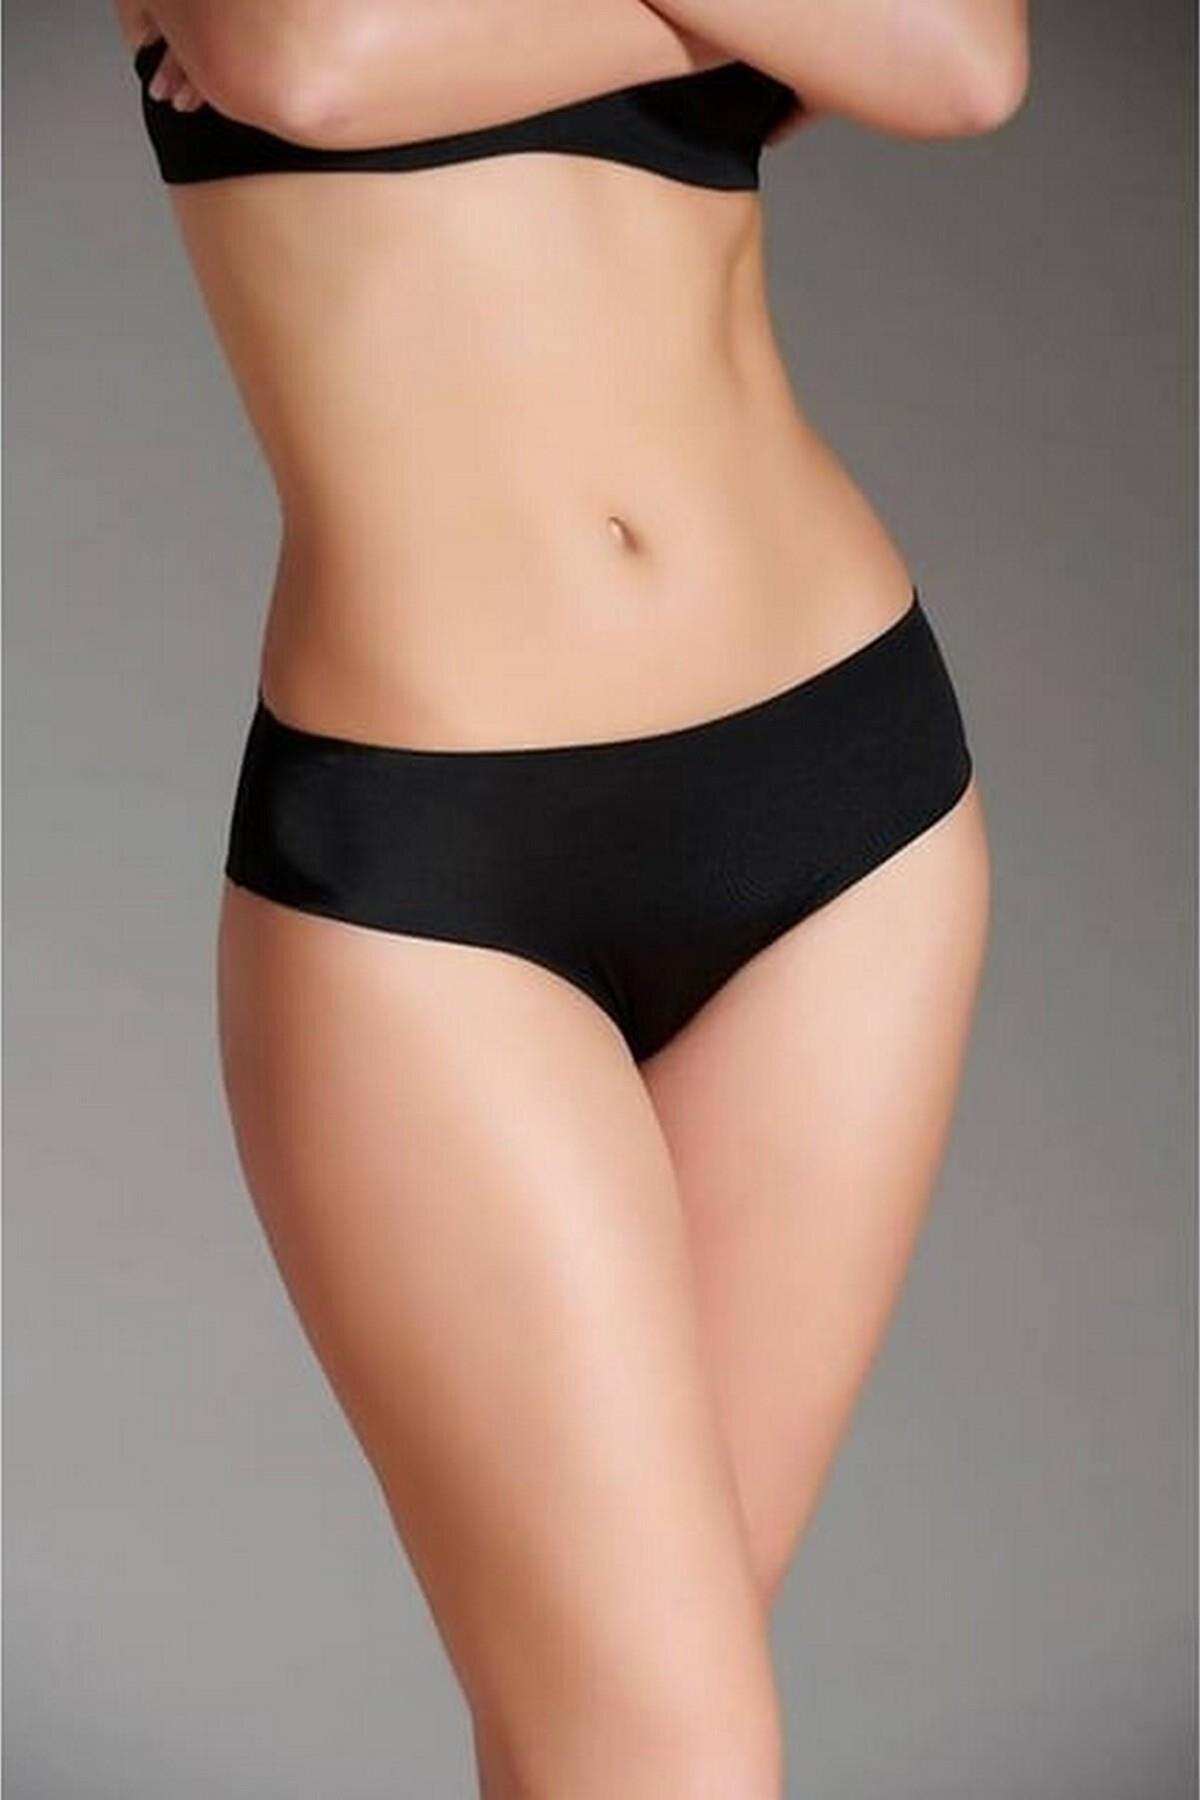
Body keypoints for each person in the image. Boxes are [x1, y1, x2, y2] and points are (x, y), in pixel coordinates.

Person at [118, 3, 1027, 1794]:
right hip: (437, 875)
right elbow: (313, 66)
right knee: (659, 1748)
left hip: (847, 793)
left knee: (613, 1740)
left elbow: (964, 62)